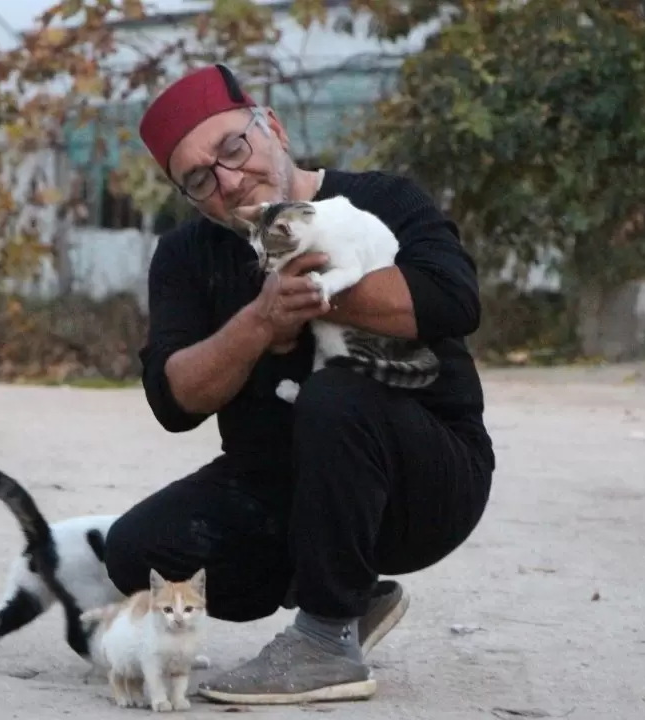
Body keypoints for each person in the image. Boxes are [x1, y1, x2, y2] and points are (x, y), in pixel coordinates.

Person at [101, 63, 496, 705]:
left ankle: (323, 638)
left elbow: (455, 302)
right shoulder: (184, 256)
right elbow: (173, 399)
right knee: (136, 550)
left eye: (234, 147)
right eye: (200, 178)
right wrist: (258, 322)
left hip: (424, 479)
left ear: (273, 129)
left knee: (334, 393)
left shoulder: (382, 199)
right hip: (286, 492)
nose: (230, 181)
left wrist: (318, 295)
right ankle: (349, 593)